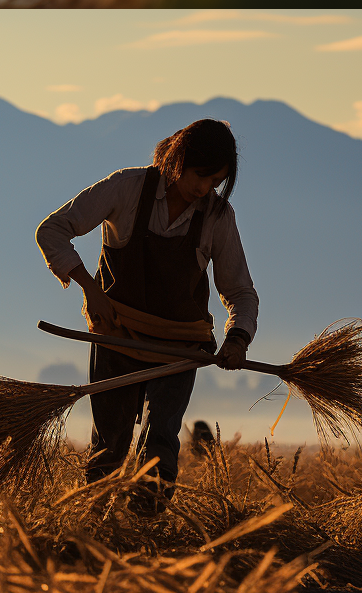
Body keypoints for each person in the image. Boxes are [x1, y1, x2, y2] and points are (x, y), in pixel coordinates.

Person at [34, 118, 258, 510]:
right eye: (200, 175)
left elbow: (239, 291)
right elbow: (52, 230)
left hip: (179, 350)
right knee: (109, 449)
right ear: (179, 159)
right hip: (117, 338)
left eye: (215, 182)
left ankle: (145, 537)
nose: (204, 188)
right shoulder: (127, 188)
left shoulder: (218, 216)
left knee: (160, 448)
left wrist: (237, 339)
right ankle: (96, 531)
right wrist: (90, 289)